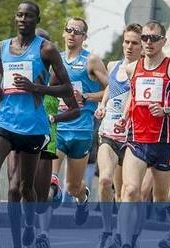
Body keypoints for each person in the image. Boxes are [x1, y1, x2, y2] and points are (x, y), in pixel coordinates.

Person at [0, 1, 77, 247]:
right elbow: (0, 77)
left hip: (32, 126)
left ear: (37, 20)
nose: (23, 19)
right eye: (19, 15)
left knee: (25, 188)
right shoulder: (2, 47)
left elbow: (67, 88)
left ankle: (29, 225)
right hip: (3, 119)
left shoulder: (46, 49)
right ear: (15, 18)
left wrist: (37, 87)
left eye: (29, 16)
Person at [115, 20, 170, 248]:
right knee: (130, 190)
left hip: (164, 142)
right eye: (145, 37)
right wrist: (124, 116)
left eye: (153, 38)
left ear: (163, 41)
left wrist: (168, 110)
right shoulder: (132, 68)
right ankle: (126, 242)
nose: (148, 42)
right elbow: (134, 98)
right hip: (136, 141)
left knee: (160, 201)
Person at [5, 27, 79, 248]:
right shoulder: (17, 69)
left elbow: (75, 110)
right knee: (14, 188)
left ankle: (40, 230)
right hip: (18, 133)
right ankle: (20, 236)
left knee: (39, 197)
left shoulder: (57, 74)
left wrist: (54, 117)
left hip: (45, 139)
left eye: (42, 44)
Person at [50, 16, 108, 227]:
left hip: (82, 129)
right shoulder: (55, 60)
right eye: (69, 30)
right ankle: (42, 234)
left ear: (84, 36)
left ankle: (82, 198)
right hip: (58, 127)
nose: (72, 34)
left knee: (72, 186)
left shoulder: (91, 60)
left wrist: (89, 98)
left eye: (77, 31)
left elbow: (113, 89)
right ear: (64, 33)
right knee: (51, 181)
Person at [94, 23, 142, 248]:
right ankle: (106, 230)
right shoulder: (113, 65)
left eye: (134, 43)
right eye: (127, 42)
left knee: (127, 192)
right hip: (109, 134)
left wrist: (127, 114)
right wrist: (102, 106)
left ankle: (125, 240)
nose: (129, 47)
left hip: (132, 139)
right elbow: (109, 90)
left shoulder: (144, 70)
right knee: (104, 180)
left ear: (143, 46)